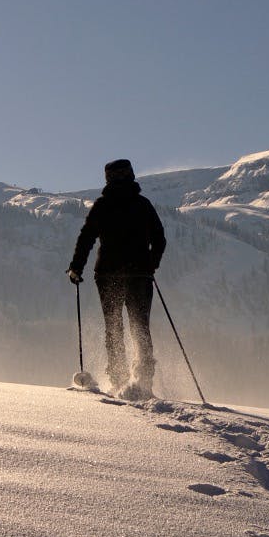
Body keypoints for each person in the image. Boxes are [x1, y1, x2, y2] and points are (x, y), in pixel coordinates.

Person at [67, 158, 166, 399]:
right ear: (131, 176)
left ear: (107, 179)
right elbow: (160, 239)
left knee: (113, 327)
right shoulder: (143, 205)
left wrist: (76, 268)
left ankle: (119, 380)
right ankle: (144, 383)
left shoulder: (102, 205)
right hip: (139, 275)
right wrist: (150, 264)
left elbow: (86, 238)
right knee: (140, 326)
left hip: (108, 275)